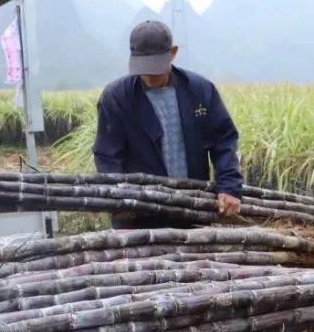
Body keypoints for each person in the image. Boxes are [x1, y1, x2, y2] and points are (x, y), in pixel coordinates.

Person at [93, 20, 243, 228]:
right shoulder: (116, 98)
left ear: (173, 53)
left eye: (157, 68)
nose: (151, 76)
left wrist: (228, 186)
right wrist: (120, 199)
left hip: (193, 209)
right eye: (145, 68)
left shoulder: (200, 90)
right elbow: (108, 157)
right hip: (139, 217)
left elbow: (224, 140)